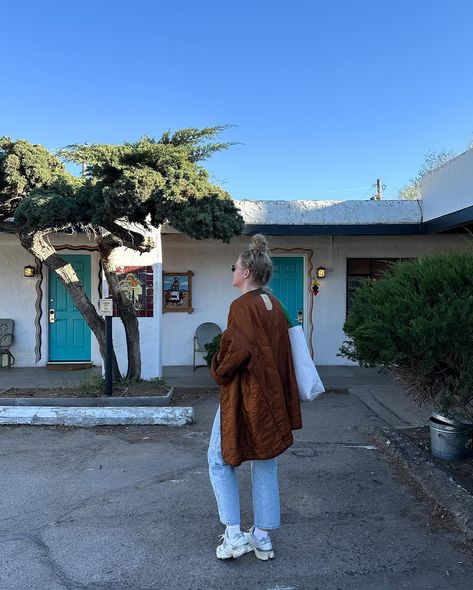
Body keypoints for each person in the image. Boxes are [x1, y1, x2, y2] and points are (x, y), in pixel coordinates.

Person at [208, 234, 302, 561]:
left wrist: (218, 368)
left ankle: (234, 535)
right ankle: (262, 537)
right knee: (265, 460)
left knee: (218, 459)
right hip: (271, 398)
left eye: (234, 266)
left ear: (246, 271)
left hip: (244, 394)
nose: (231, 270)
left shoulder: (241, 306)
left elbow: (237, 352)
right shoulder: (275, 305)